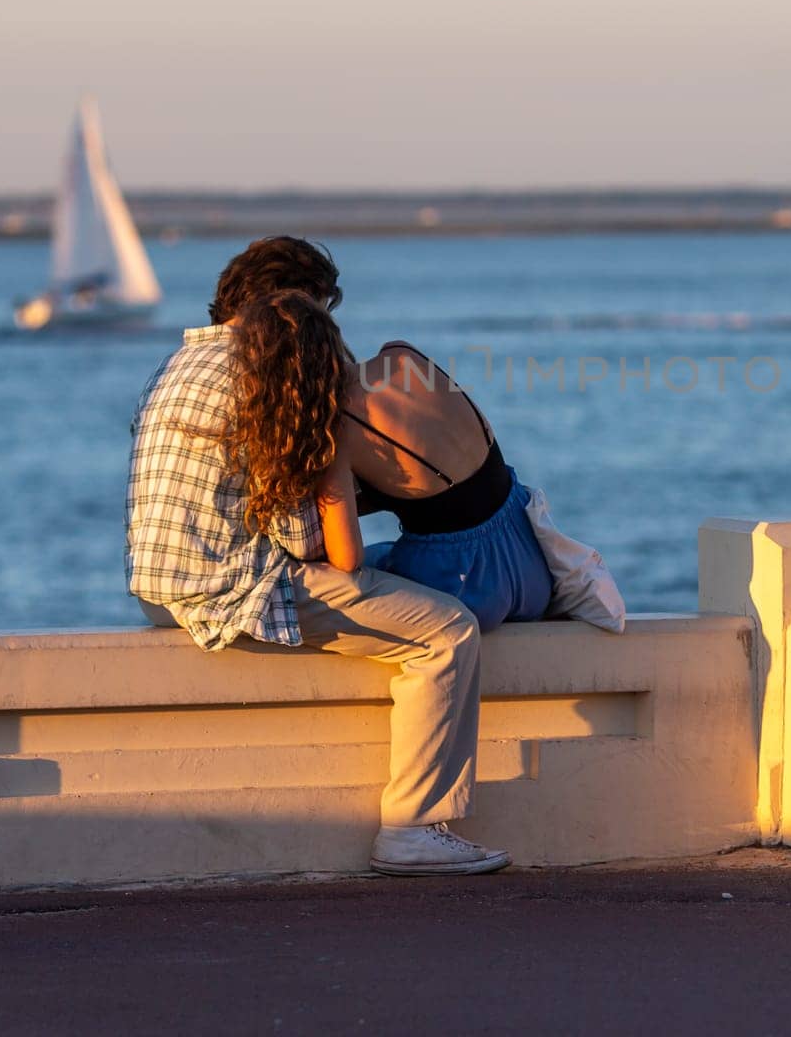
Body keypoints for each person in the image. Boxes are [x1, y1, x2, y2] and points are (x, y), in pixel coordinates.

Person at [126, 236, 508, 876]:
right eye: (326, 310)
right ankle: (413, 828)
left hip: (155, 589)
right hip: (229, 590)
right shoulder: (265, 375)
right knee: (447, 631)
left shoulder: (176, 364)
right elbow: (308, 545)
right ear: (298, 305)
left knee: (390, 574)